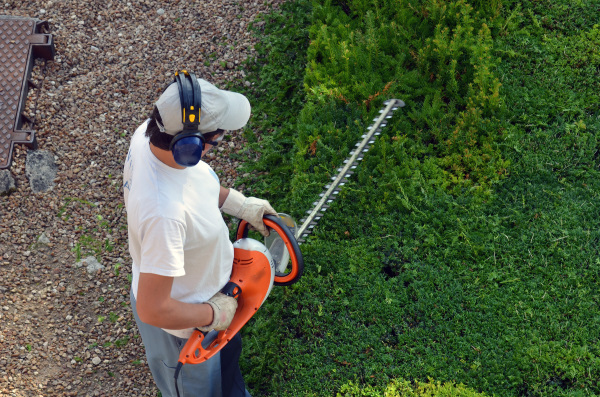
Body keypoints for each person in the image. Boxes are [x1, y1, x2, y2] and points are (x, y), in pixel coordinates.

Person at [123, 70, 277, 396]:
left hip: (212, 299)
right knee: (198, 390)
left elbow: (195, 184)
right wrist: (212, 314)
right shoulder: (164, 216)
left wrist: (242, 205)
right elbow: (153, 307)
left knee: (226, 368)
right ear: (191, 147)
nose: (220, 142)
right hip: (185, 327)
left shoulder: (147, 137)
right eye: (218, 137)